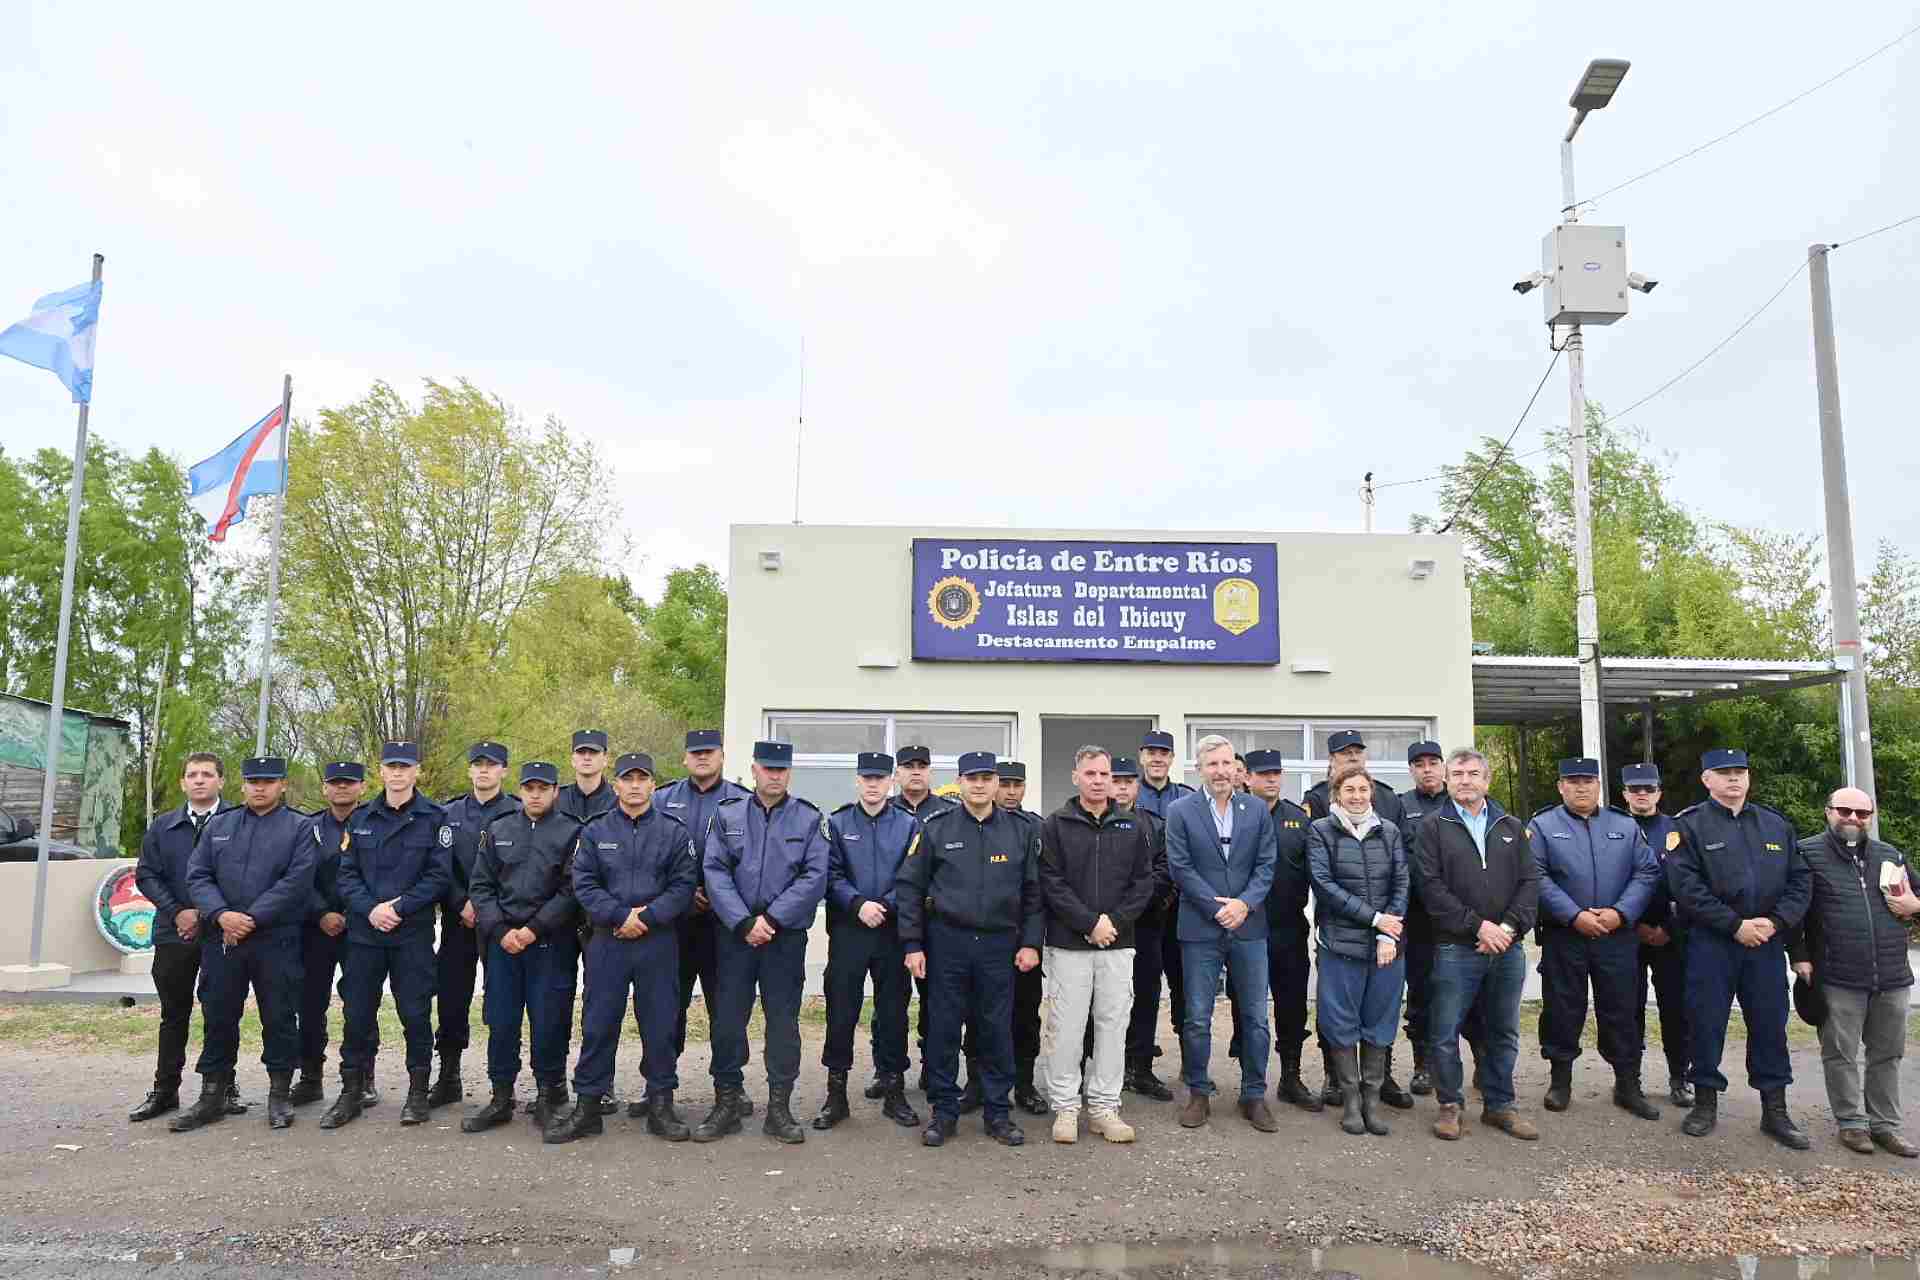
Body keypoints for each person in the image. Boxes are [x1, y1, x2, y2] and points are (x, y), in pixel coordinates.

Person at [548, 752, 697, 1144]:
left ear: (652, 785)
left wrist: (645, 919)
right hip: (608, 941)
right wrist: (619, 917)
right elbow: (584, 883)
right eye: (627, 779)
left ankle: (660, 1104)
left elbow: (683, 886)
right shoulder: (596, 831)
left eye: (641, 778)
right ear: (616, 785)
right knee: (598, 1024)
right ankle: (588, 1107)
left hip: (658, 941)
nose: (634, 785)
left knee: (660, 1024)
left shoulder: (673, 831)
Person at [1667, 748, 1813, 1147]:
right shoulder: (1689, 826)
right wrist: (1734, 925)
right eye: (1723, 773)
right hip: (1712, 943)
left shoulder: (1775, 824)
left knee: (1770, 1024)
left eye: (1740, 772)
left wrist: (1776, 922)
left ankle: (1775, 1111)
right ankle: (1705, 1103)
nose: (1734, 779)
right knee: (1705, 1023)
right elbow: (1685, 887)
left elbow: (1801, 882)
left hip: (1765, 944)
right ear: (1706, 780)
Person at [899, 750, 1044, 1148]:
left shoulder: (1020, 830)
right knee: (944, 1029)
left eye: (986, 777)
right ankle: (944, 1112)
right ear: (959, 782)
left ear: (997, 783)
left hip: (1000, 945)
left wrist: (1031, 942)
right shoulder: (936, 827)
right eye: (971, 778)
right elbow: (910, 888)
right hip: (948, 943)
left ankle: (998, 1112)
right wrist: (913, 944)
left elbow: (1033, 894)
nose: (979, 785)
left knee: (997, 1030)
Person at [173, 757, 316, 1133]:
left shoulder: (300, 827)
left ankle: (280, 1094)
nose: (259, 788)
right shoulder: (220, 825)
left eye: (268, 782)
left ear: (282, 785)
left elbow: (297, 881)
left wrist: (249, 918)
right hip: (223, 939)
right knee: (218, 1016)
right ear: (242, 785)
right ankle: (213, 1095)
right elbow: (198, 875)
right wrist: (222, 915)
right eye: (253, 781)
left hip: (275, 939)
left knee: (280, 1017)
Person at [697, 740, 829, 1145]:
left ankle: (779, 1108)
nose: (774, 775)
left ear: (789, 773)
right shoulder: (728, 815)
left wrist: (770, 920)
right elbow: (714, 870)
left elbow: (814, 877)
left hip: (783, 938)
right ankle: (727, 1101)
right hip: (735, 937)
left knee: (783, 1022)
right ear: (754, 770)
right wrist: (742, 922)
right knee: (728, 1020)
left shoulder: (808, 819)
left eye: (781, 770)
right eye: (767, 768)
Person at [1411, 748, 1539, 1142]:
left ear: (1488, 780)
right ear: (1447, 780)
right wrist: (1478, 927)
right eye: (1458, 773)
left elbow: (1530, 882)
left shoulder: (1511, 826)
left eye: (1473, 773)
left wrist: (1508, 927)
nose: (1465, 780)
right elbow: (1430, 888)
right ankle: (1450, 1106)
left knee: (1503, 1031)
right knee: (1445, 1030)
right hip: (1456, 948)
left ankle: (1500, 1105)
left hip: (1507, 947)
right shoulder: (1432, 827)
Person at [324, 740, 451, 1130]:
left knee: (415, 1013)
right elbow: (347, 875)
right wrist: (371, 909)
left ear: (417, 772)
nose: (397, 773)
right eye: (391, 767)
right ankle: (351, 1091)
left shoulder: (435, 818)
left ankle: (417, 1093)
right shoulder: (361, 819)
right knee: (357, 1013)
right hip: (365, 934)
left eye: (404, 767)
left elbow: (438, 876)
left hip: (410, 934)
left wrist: (398, 908)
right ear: (380, 772)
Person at [1529, 758, 1660, 1119]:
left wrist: (1621, 912)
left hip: (1617, 935)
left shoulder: (1624, 825)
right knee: (1562, 1008)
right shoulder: (1542, 825)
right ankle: (1560, 1081)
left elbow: (1647, 872)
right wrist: (1574, 915)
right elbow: (1536, 875)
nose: (1581, 787)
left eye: (1588, 781)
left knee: (1622, 1010)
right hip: (1564, 935)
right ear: (1560, 787)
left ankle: (1627, 1085)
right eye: (1573, 781)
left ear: (1599, 786)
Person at [1790, 787, 1919, 1157]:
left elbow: (1915, 896)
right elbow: (1792, 910)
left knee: (1887, 1053)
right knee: (1840, 1053)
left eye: (1862, 813)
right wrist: (1798, 956)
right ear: (1828, 811)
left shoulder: (1890, 854)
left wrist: (1914, 903)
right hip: (1838, 974)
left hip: (1892, 975)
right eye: (1845, 810)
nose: (1853, 819)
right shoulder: (1806, 852)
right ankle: (1851, 1123)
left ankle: (1886, 1125)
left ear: (1871, 817)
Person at [1038, 746, 1156, 1144]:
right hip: (1069, 945)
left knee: (1112, 1027)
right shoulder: (1055, 825)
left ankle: (1105, 1108)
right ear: (1076, 777)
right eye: (1090, 773)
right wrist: (1089, 923)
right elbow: (1051, 883)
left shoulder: (1132, 825)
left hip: (1117, 946)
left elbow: (1143, 883)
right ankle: (1066, 1108)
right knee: (1066, 1029)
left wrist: (1113, 923)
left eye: (1105, 774)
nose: (1099, 780)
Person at [462, 760, 582, 1135]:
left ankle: (548, 1096)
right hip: (503, 946)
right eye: (529, 788)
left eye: (542, 788)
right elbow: (481, 887)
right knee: (501, 1021)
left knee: (549, 1021)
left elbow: (572, 891)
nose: (535, 794)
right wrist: (500, 930)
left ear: (555, 792)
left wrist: (532, 930)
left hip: (550, 944)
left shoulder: (571, 832)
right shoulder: (498, 829)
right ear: (521, 790)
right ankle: (500, 1097)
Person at [1166, 735, 1278, 1132]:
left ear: (1237, 768)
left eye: (1226, 763)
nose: (1220, 771)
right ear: (1200, 770)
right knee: (1197, 1016)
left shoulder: (1256, 811)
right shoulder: (1180, 811)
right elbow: (1180, 868)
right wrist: (1218, 909)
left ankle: (1254, 1094)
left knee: (1255, 1017)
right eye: (1211, 764)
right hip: (1200, 928)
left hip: (1249, 927)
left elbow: (1266, 864)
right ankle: (1198, 1093)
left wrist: (1243, 905)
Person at [816, 752, 924, 1131]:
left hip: (892, 934)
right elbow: (828, 874)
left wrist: (886, 906)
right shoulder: (838, 822)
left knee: (894, 1015)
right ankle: (836, 1096)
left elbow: (913, 875)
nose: (873, 784)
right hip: (849, 932)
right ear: (857, 782)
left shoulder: (908, 826)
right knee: (840, 1012)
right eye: (867, 778)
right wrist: (858, 904)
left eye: (880, 778)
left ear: (891, 782)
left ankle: (894, 1093)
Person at [1304, 730, 1410, 1110]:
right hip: (1341, 940)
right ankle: (1347, 1096)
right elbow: (1325, 884)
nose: (1357, 795)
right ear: (1336, 792)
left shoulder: (1391, 829)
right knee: (1340, 1019)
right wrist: (1376, 919)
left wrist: (1388, 932)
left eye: (1363, 789)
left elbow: (1402, 880)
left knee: (1380, 1018)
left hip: (1386, 943)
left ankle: (1372, 1099)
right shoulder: (1320, 829)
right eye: (1349, 790)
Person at [130, 752, 234, 1123]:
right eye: (193, 774)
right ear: (183, 783)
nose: (200, 780)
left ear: (221, 780)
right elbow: (147, 875)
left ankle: (223, 1086)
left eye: (208, 774)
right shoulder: (163, 827)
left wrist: (206, 913)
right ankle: (165, 1090)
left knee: (221, 1011)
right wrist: (179, 912)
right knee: (174, 1014)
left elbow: (244, 877)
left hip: (221, 932)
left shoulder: (238, 822)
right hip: (174, 933)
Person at [655, 729, 754, 1116]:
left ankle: (731, 1086)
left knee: (727, 1010)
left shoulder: (743, 802)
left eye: (709, 752)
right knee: (664, 1008)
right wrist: (679, 896)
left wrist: (719, 897)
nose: (702, 758)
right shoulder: (662, 799)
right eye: (695, 753)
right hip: (674, 925)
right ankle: (658, 1084)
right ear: (684, 758)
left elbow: (750, 864)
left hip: (723, 926)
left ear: (722, 756)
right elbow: (649, 854)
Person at [431, 740, 521, 1111]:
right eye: (477, 764)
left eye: (492, 764)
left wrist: (489, 908)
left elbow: (524, 871)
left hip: (501, 924)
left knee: (503, 1006)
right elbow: (439, 867)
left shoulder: (518, 811)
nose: (484, 770)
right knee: (451, 1001)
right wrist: (460, 902)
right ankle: (449, 1075)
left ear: (503, 770)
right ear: (469, 770)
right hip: (459, 922)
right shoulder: (448, 814)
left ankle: (504, 1086)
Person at [293, 760, 375, 1110]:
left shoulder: (376, 823)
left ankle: (362, 1079)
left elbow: (382, 874)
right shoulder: (307, 828)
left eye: (349, 782)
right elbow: (298, 876)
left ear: (362, 787)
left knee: (360, 1005)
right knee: (310, 1005)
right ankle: (311, 1078)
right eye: (335, 783)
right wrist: (321, 913)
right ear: (324, 788)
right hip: (316, 929)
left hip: (361, 927)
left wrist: (352, 912)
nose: (342, 788)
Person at [1242, 749, 1319, 1110]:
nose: (1271, 779)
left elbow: (1316, 873)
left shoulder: (1299, 819)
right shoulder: (1237, 814)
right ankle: (1250, 1081)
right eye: (1263, 773)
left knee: (1292, 1006)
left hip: (1289, 928)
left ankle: (1291, 1075)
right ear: (1248, 778)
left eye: (1276, 773)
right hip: (1247, 928)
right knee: (1249, 1008)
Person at [1616, 762, 1694, 1107]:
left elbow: (1690, 883)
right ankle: (1629, 1079)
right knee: (1627, 1009)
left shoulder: (1678, 829)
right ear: (1625, 794)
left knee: (1676, 1010)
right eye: (1635, 790)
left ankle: (1680, 1078)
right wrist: (1633, 925)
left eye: (1648, 789)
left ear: (1659, 793)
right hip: (1626, 933)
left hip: (1670, 935)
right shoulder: (1612, 828)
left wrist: (1667, 928)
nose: (1642, 795)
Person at [893, 744, 958, 1096]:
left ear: (931, 772)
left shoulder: (948, 813)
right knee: (891, 1001)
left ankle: (932, 1068)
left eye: (922, 766)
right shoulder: (885, 811)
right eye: (908, 766)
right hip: (893, 921)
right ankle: (887, 1071)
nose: (915, 772)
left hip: (935, 923)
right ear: (897, 774)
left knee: (935, 1002)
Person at [1110, 756, 1176, 1102]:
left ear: (1137, 786)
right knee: (1107, 1002)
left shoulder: (1154, 824)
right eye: (1115, 781)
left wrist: (1136, 901)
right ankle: (1109, 1069)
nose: (1121, 787)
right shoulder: (1095, 822)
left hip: (1147, 927)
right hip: (1106, 930)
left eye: (1128, 782)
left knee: (1146, 996)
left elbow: (1166, 870)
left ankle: (1141, 1068)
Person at [1133, 730, 1195, 1097]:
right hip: (1143, 913)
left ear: (1172, 758)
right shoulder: (1126, 793)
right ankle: (1139, 1065)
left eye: (1164, 753)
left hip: (1182, 910)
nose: (1157, 759)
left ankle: (1191, 1061)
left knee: (1185, 988)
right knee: (1143, 991)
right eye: (1151, 752)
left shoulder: (1186, 798)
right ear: (1142, 756)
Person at [1397, 740, 1451, 1098]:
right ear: (1412, 770)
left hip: (1459, 916)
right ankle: (1423, 1065)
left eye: (1433, 762)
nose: (1427, 769)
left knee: (1466, 990)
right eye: (1419, 764)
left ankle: (1471, 1061)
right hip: (1416, 915)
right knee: (1420, 990)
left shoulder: (1462, 801)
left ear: (1444, 766)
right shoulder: (1400, 806)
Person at [997, 759, 1050, 1116]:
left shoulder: (1038, 827)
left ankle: (1025, 1083)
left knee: (1026, 1014)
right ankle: (979, 1083)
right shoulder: (976, 825)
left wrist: (1032, 939)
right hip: (986, 936)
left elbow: (1043, 889)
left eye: (1018, 784)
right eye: (1006, 784)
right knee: (983, 1013)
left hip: (1025, 935)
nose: (1012, 791)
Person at [557, 729, 616, 824]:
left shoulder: (618, 800)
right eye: (581, 752)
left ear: (605, 759)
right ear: (572, 759)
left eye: (593, 752)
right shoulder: (556, 799)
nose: (587, 757)